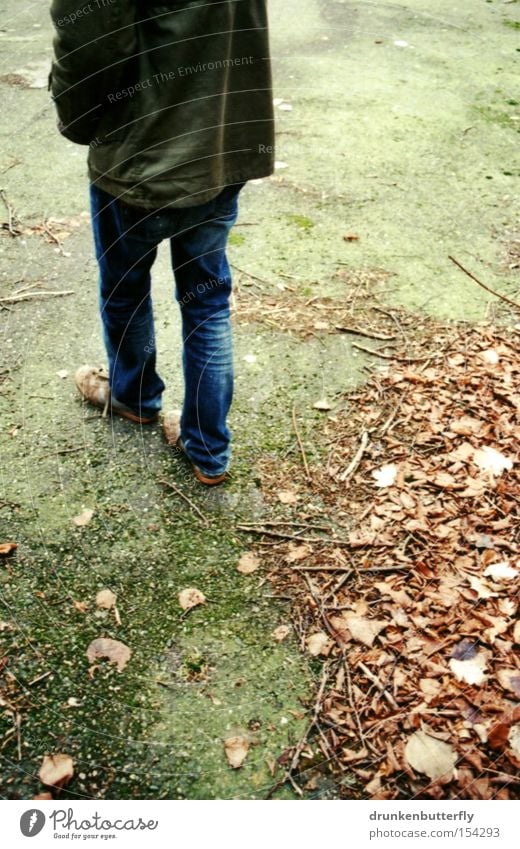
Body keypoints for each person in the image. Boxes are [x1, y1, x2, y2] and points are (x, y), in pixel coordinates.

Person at [49, 0, 274, 484]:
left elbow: (87, 37)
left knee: (125, 286)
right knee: (206, 300)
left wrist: (77, 117)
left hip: (141, 149)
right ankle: (208, 449)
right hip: (219, 138)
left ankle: (134, 397)